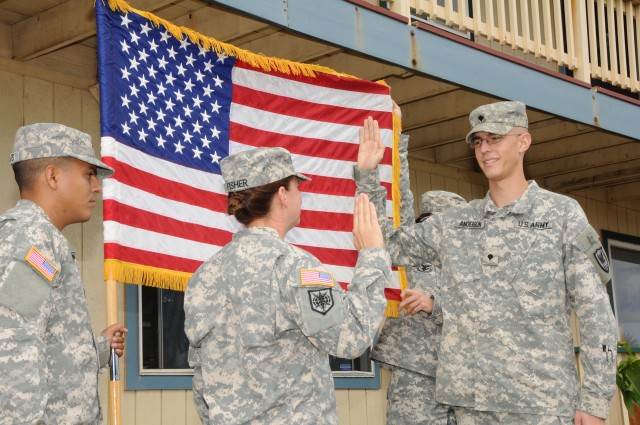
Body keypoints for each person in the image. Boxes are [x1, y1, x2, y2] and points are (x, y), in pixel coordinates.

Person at [355, 101, 618, 424]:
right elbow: (388, 245)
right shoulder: (456, 224)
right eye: (478, 141)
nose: (485, 149)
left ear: (523, 142)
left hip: (540, 407)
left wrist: (594, 400)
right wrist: (368, 175)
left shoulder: (561, 216)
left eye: (495, 138)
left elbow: (596, 314)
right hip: (470, 409)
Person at [183, 146, 390, 424]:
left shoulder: (204, 275)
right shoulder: (294, 267)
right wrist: (373, 257)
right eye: (297, 188)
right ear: (283, 195)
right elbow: (350, 338)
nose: (300, 197)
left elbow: (200, 377)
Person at [0, 123, 127, 424]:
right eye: (88, 174)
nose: (97, 186)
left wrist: (95, 348)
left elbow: (41, 341)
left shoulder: (43, 240)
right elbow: (11, 349)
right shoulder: (30, 240)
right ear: (53, 176)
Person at [373, 190, 464, 425]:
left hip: (463, 373)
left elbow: (486, 308)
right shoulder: (410, 249)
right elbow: (400, 201)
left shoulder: (470, 259)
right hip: (416, 370)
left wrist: (435, 304)